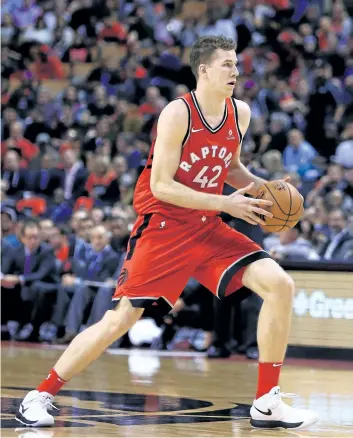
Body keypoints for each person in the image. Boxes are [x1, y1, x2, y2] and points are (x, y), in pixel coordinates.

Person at [16, 36, 319, 430]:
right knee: (120, 319)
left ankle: (267, 402)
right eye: (226, 64)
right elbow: (161, 185)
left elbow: (229, 168)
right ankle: (40, 395)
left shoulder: (239, 112)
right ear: (204, 70)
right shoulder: (178, 114)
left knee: (280, 284)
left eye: (236, 64)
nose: (236, 71)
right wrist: (227, 204)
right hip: (163, 227)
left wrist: (264, 190)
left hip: (206, 225)